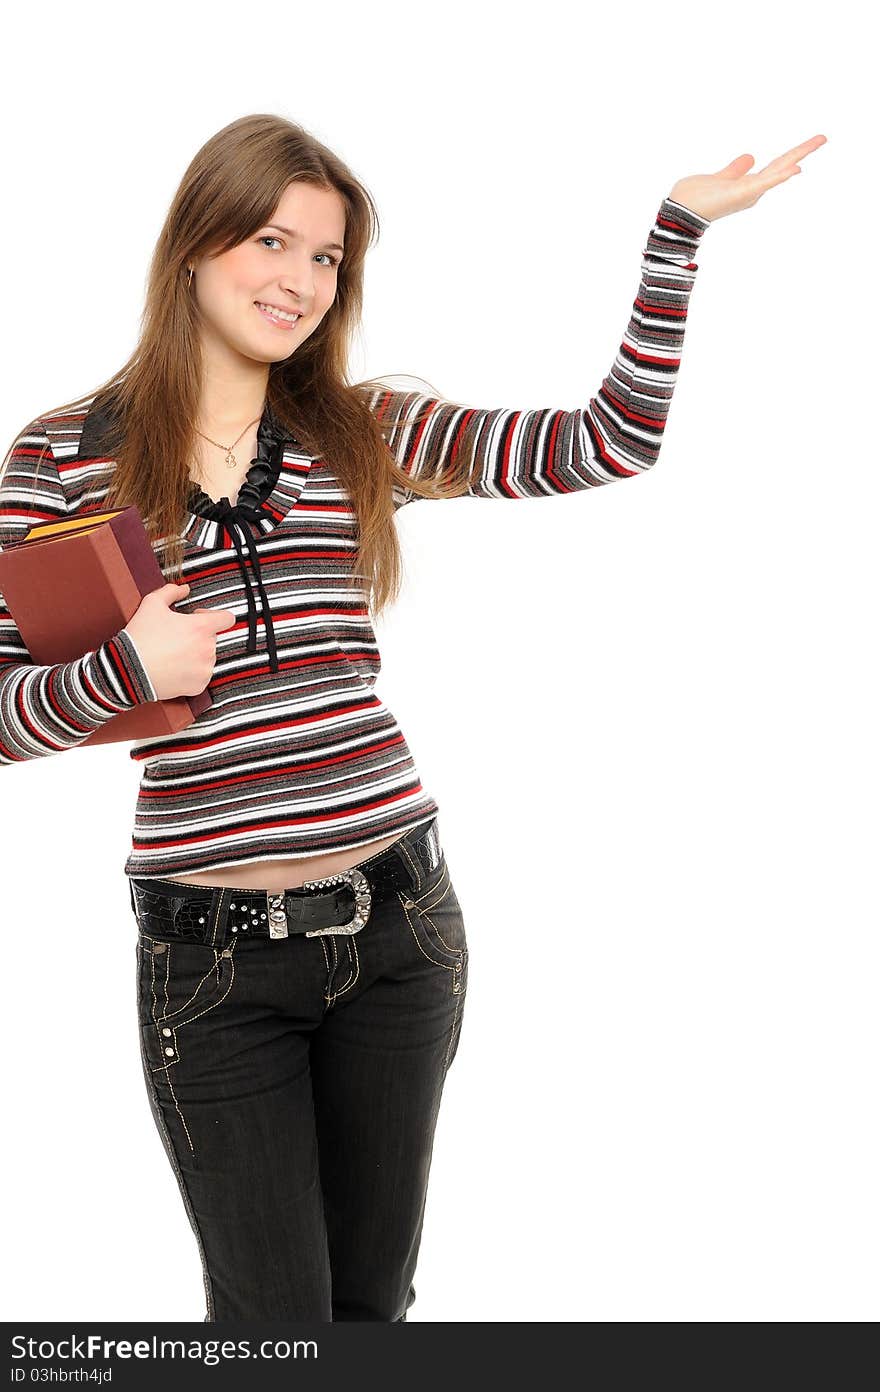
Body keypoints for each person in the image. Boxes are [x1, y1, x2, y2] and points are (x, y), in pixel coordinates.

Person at [0, 115, 826, 1322]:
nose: (298, 282)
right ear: (194, 245)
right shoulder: (63, 457)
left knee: (372, 1313)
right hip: (212, 969)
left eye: (327, 260)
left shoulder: (363, 431)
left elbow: (609, 443)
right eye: (272, 242)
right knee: (270, 1329)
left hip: (401, 936)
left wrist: (677, 236)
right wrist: (123, 666)